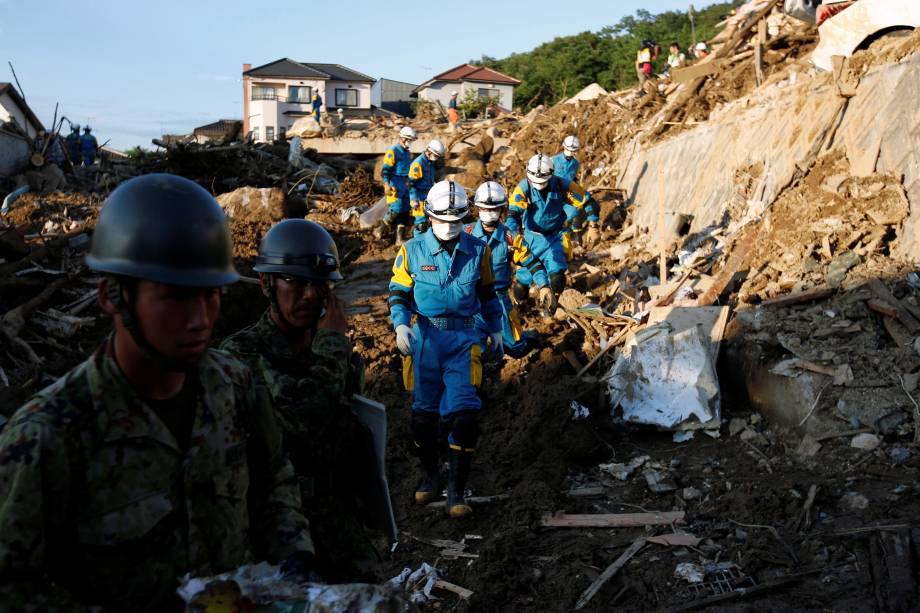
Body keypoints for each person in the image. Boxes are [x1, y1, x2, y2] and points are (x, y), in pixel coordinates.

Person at [0, 174, 315, 612]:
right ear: (113, 296)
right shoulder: (46, 437)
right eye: (177, 298)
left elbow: (274, 481)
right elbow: (13, 590)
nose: (200, 319)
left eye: (211, 296)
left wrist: (294, 560)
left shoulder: (236, 388)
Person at [220, 219, 377, 582]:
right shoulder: (241, 355)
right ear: (266, 284)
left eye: (319, 284)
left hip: (340, 526)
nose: (309, 295)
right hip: (279, 534)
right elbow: (301, 420)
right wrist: (334, 348)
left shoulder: (330, 351)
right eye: (295, 281)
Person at [388, 180, 502, 518]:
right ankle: (431, 474)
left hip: (463, 340)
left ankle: (456, 489)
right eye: (443, 221)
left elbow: (487, 294)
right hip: (425, 340)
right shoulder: (411, 250)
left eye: (456, 222)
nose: (449, 228)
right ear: (429, 215)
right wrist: (399, 324)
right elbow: (399, 292)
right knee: (422, 421)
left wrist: (495, 330)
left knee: (466, 417)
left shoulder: (478, 250)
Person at [467, 181, 553, 359]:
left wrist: (544, 285)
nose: (489, 213)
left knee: (515, 348)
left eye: (494, 209)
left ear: (501, 209)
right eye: (484, 208)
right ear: (477, 209)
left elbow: (532, 262)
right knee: (473, 353)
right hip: (471, 301)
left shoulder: (510, 239)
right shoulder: (465, 235)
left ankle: (527, 341)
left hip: (499, 301)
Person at [507, 153, 590, 307]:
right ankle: (520, 305)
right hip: (531, 237)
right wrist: (511, 237)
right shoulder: (523, 188)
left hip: (555, 236)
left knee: (557, 275)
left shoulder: (561, 185)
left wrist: (593, 224)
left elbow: (585, 198)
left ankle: (552, 305)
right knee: (523, 280)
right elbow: (512, 214)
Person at [551, 135, 601, 251]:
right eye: (568, 150)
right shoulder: (553, 160)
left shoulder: (575, 164)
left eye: (573, 151)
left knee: (578, 208)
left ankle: (580, 239)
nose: (570, 153)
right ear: (563, 147)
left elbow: (573, 179)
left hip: (568, 191)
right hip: (553, 193)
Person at [377, 126, 417, 245]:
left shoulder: (407, 153)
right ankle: (379, 230)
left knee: (405, 210)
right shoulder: (393, 151)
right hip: (395, 183)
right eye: (409, 140)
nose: (410, 143)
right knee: (396, 208)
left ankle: (400, 238)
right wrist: (386, 184)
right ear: (403, 138)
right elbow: (385, 170)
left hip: (404, 184)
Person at [408, 139, 446, 231]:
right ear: (428, 151)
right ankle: (417, 242)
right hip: (418, 198)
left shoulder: (429, 163)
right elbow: (410, 183)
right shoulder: (418, 164)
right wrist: (413, 199)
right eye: (435, 155)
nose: (436, 158)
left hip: (427, 197)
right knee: (421, 224)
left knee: (430, 221)